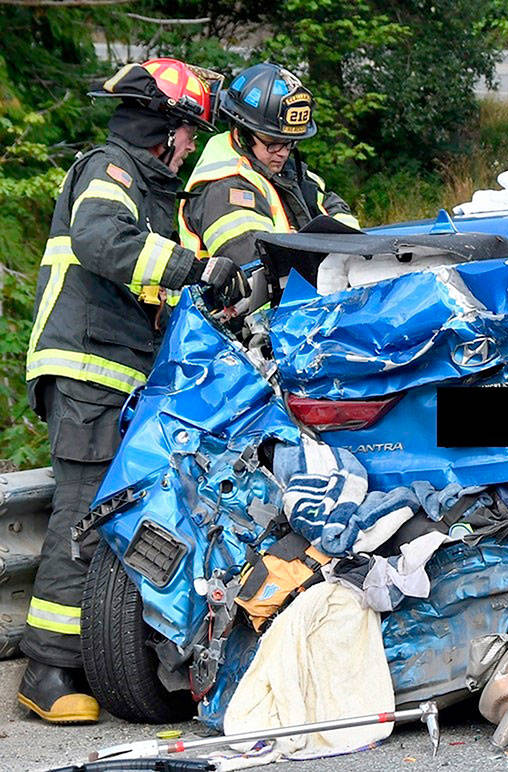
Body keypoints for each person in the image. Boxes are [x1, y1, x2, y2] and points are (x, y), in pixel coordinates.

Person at [20, 58, 242, 724]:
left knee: (109, 514)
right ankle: (49, 669)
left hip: (117, 375)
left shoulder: (147, 192)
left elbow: (143, 286)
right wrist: (193, 267)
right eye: (186, 133)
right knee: (83, 515)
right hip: (88, 370)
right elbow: (100, 242)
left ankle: (87, 656)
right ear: (161, 128)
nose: (189, 148)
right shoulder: (109, 172)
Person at [179, 62, 359, 279]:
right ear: (241, 132)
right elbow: (255, 264)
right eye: (273, 142)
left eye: (290, 143)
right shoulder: (225, 187)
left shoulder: (287, 172)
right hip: (239, 311)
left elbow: (334, 208)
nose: (282, 153)